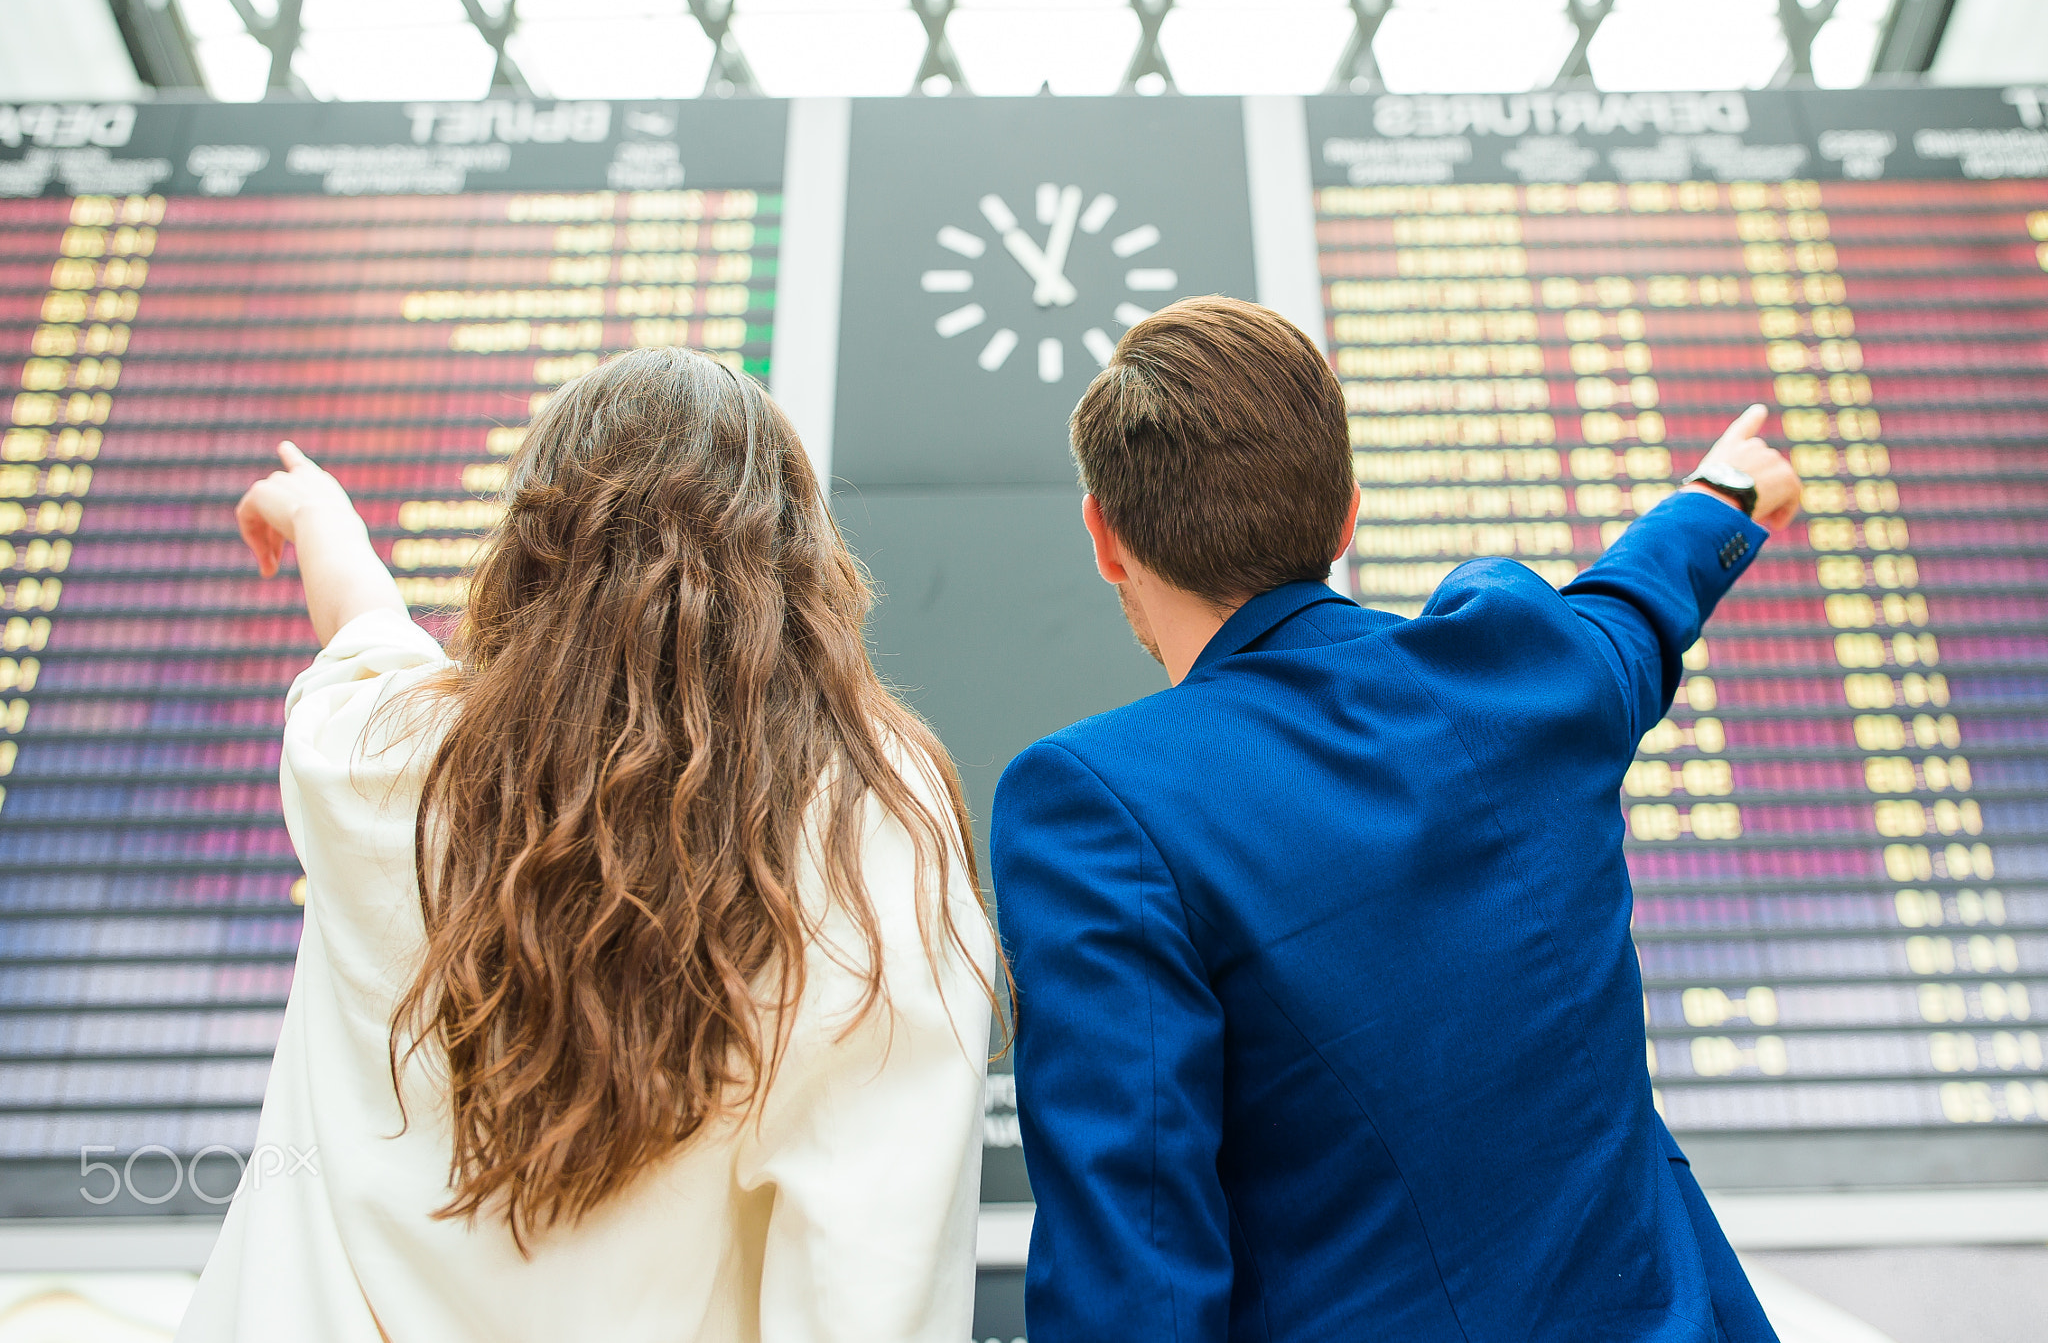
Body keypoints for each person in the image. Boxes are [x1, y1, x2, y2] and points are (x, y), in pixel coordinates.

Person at [990, 296, 1802, 1342]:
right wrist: (1718, 499)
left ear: (1104, 536)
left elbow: (1134, 1279)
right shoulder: (1526, 668)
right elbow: (1628, 614)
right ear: (1345, 516)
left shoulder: (1097, 803)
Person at [181, 348, 997, 1343]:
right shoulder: (862, 820)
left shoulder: (383, 758)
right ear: (793, 561)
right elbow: (874, 1270)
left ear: (530, 547)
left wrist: (317, 514)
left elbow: (364, 635)